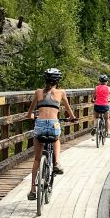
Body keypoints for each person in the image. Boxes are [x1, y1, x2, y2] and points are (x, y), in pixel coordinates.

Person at [29, 68, 75, 201]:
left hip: (40, 124)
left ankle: (33, 189)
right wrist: (73, 117)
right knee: (56, 139)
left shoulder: (38, 92)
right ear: (58, 81)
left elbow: (30, 112)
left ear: (45, 80)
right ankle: (56, 163)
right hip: (54, 124)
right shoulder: (61, 92)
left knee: (37, 159)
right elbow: (68, 109)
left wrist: (32, 116)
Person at [93, 73, 110, 139]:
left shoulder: (96, 88)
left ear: (99, 81)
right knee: (107, 118)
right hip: (105, 106)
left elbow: (93, 98)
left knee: (96, 117)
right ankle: (107, 133)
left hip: (97, 106)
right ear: (107, 81)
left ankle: (95, 127)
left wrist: (92, 100)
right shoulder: (109, 89)